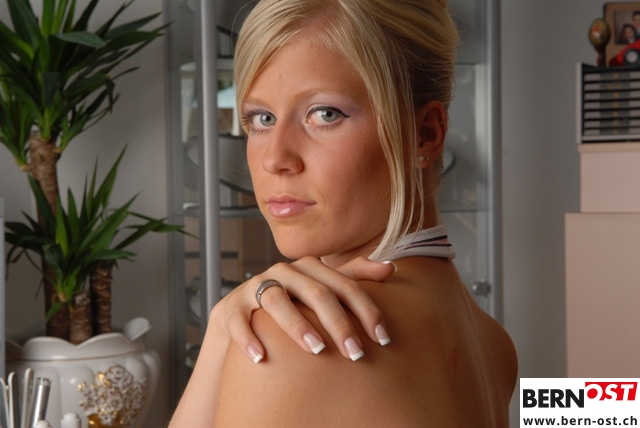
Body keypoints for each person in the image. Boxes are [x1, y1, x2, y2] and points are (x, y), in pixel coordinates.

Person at [169, 0, 518, 426]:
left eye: (325, 114)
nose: (275, 158)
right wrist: (223, 323)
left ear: (424, 134)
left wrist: (225, 338)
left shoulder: (295, 339)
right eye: (262, 118)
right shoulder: (492, 342)